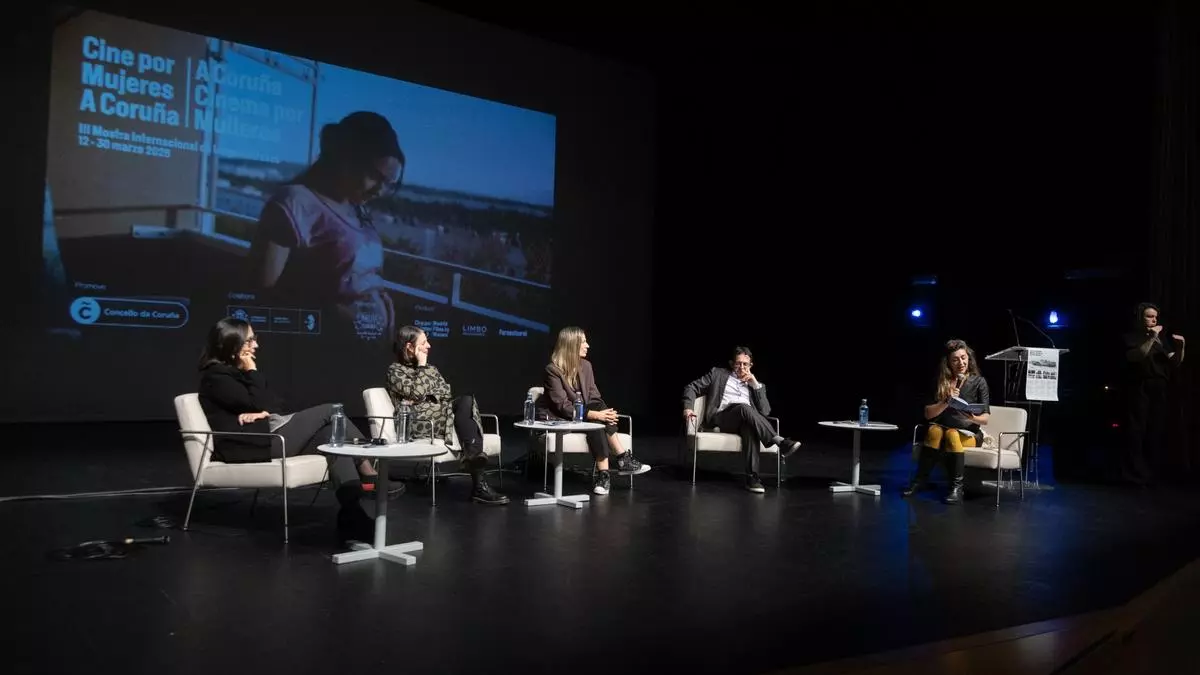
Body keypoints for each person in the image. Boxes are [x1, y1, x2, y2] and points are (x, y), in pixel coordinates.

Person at [197, 317, 377, 543]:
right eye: (250, 340)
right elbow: (260, 402)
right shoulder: (217, 376)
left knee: (333, 439)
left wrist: (261, 409)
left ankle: (353, 515)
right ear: (232, 345)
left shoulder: (234, 373)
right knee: (332, 410)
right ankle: (370, 471)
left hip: (264, 435)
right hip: (249, 444)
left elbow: (272, 405)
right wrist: (253, 374)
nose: (256, 345)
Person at [247, 111, 404, 342]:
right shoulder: (296, 202)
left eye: (387, 183)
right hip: (326, 350)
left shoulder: (355, 207)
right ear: (346, 158)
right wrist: (332, 315)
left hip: (366, 351)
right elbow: (263, 289)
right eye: (374, 176)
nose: (380, 190)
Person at [386, 325, 509, 505]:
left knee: (466, 400)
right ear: (410, 347)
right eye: (424, 342)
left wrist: (423, 395)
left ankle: (473, 460)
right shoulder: (395, 371)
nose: (429, 346)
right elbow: (415, 394)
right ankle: (478, 482)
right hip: (419, 421)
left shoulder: (432, 369)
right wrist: (421, 370)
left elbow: (445, 392)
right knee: (461, 415)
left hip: (440, 414)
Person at [536, 326, 649, 495]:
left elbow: (594, 397)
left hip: (585, 415)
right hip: (561, 419)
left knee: (598, 413)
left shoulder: (586, 366)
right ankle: (621, 459)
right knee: (596, 417)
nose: (588, 345)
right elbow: (562, 406)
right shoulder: (552, 370)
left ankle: (605, 474)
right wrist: (596, 414)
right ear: (571, 345)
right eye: (583, 342)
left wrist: (603, 414)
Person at [682, 346, 803, 493]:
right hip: (722, 419)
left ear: (751, 366)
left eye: (745, 364)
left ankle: (752, 478)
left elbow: (765, 411)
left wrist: (755, 384)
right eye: (738, 363)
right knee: (744, 407)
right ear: (732, 363)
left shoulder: (757, 385)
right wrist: (688, 407)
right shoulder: (718, 374)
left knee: (749, 427)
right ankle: (779, 441)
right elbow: (691, 387)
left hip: (745, 420)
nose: (741, 367)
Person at [902, 339, 991, 504]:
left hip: (969, 433)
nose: (961, 362)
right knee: (934, 430)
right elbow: (928, 414)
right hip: (942, 430)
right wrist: (947, 401)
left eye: (963, 358)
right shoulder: (941, 381)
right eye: (955, 359)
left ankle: (956, 488)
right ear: (948, 362)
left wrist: (971, 417)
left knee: (951, 434)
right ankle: (919, 482)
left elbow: (985, 419)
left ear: (969, 358)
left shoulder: (979, 382)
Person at [1121, 303, 1185, 486]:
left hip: (1160, 386)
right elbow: (1136, 356)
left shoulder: (1161, 339)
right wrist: (1151, 338)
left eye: (1155, 316)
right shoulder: (1132, 337)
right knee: (1137, 429)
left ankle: (1152, 471)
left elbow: (1174, 361)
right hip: (1140, 385)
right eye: (1149, 316)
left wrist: (1181, 348)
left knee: (1156, 428)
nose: (1154, 320)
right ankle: (1134, 472)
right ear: (1140, 318)